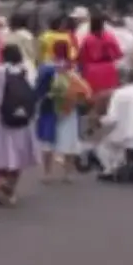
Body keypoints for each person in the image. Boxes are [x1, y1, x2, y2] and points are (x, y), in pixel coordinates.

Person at [0, 43, 39, 204]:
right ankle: (10, 188)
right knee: (18, 153)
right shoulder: (28, 71)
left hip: (1, 117)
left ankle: (1, 185)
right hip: (23, 117)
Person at [34, 38, 90, 182]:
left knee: (48, 140)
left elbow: (39, 88)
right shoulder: (74, 68)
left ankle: (48, 173)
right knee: (70, 139)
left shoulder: (46, 68)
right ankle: (68, 173)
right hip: (69, 106)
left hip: (50, 105)